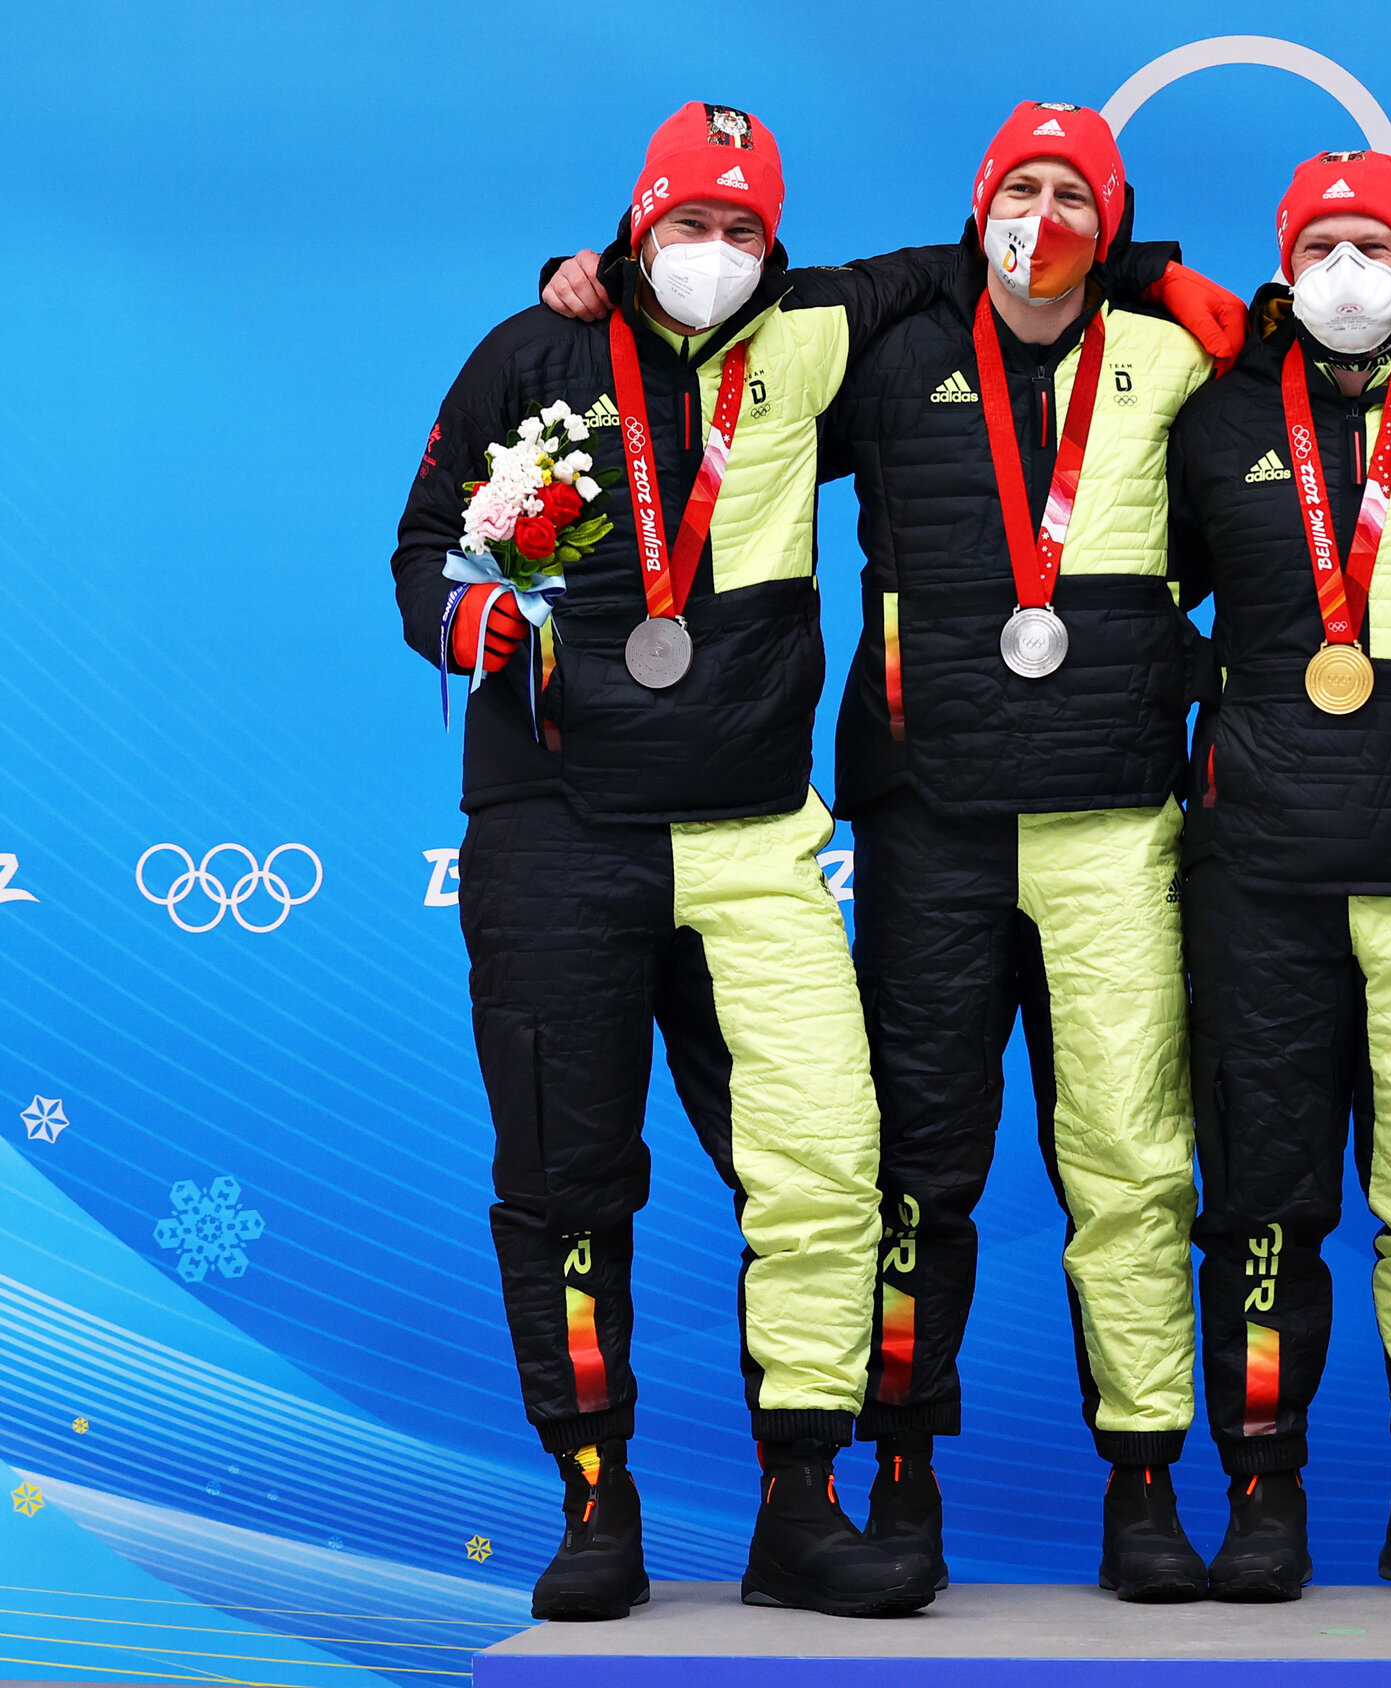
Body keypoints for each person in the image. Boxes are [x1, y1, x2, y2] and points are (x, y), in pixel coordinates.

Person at [537, 103, 1246, 1600]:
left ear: (1108, 222)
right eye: (1019, 190)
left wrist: (1173, 281)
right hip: (931, 823)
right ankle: (902, 1470)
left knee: (1131, 1164)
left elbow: (1304, 439)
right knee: (922, 1171)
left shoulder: (1171, 360)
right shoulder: (886, 355)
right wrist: (593, 277)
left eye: (1072, 197)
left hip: (1116, 821)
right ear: (979, 203)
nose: (1038, 218)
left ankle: (1146, 1484)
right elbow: (709, 383)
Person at [391, 102, 946, 1620]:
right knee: (567, 1183)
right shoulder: (532, 350)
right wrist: (480, 619)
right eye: (688, 225)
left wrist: (1169, 272)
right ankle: (593, 1504)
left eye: (742, 230)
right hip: (554, 833)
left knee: (830, 1165)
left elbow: (979, 266)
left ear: (776, 244)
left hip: (757, 840)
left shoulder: (816, 330)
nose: (715, 254)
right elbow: (421, 550)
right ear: (635, 228)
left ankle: (801, 1505)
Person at [1165, 150, 1391, 1604]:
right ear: (1285, 263)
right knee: (1261, 1195)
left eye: (1376, 242)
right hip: (1261, 871)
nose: (1350, 272)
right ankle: (1264, 1486)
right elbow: (1131, 602)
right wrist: (1239, 725)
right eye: (1323, 245)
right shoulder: (1215, 418)